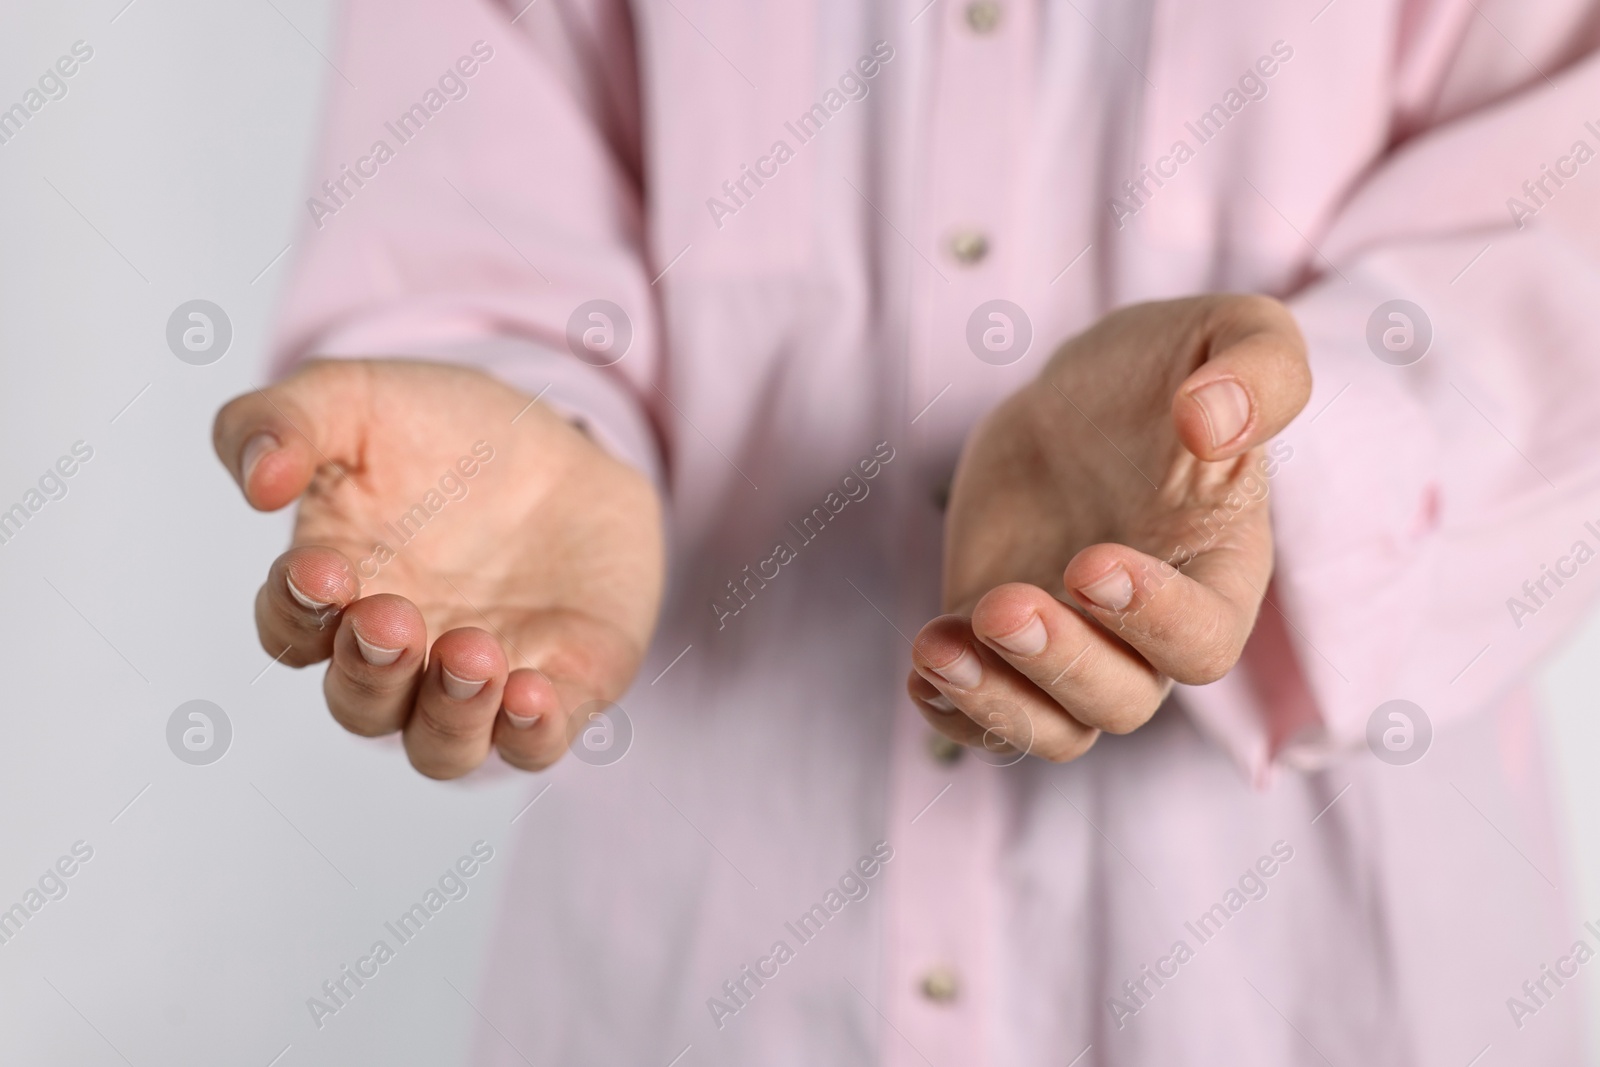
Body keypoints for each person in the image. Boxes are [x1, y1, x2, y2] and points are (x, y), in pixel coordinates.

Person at [211, 0, 1600, 1062]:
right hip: (694, 972)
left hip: (1308, 979)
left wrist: (1278, 452)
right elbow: (473, 216)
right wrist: (530, 440)